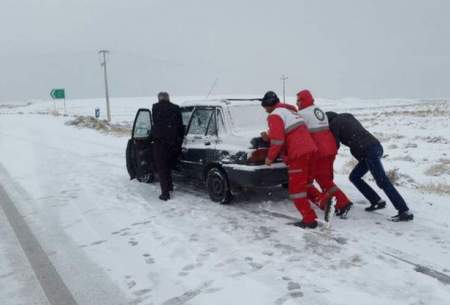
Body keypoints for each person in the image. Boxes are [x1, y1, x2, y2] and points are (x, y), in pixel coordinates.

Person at [326, 111, 413, 222]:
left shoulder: (334, 124)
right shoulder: (348, 116)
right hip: (375, 147)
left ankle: (404, 211)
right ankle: (376, 201)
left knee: (382, 181)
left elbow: (335, 144)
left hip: (368, 151)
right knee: (354, 177)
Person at [261, 91, 319, 228]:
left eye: (265, 107)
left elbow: (278, 141)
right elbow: (287, 132)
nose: (265, 111)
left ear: (269, 105)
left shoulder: (274, 115)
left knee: (296, 190)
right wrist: (269, 136)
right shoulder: (288, 111)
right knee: (306, 184)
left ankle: (309, 220)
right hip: (310, 149)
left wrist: (269, 158)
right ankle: (326, 203)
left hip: (298, 153)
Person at [296, 90, 352, 218]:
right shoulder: (318, 110)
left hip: (319, 151)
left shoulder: (302, 114)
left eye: (298, 100)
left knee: (323, 179)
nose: (297, 103)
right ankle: (339, 202)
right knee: (326, 178)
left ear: (303, 100)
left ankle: (342, 203)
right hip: (330, 148)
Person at [151, 92, 184, 201]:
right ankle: (170, 187)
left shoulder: (155, 107)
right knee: (169, 166)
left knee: (162, 168)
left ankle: (165, 193)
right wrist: (179, 140)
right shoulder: (176, 108)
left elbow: (155, 123)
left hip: (160, 143)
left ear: (159, 98)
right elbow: (180, 126)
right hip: (173, 143)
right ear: (168, 98)